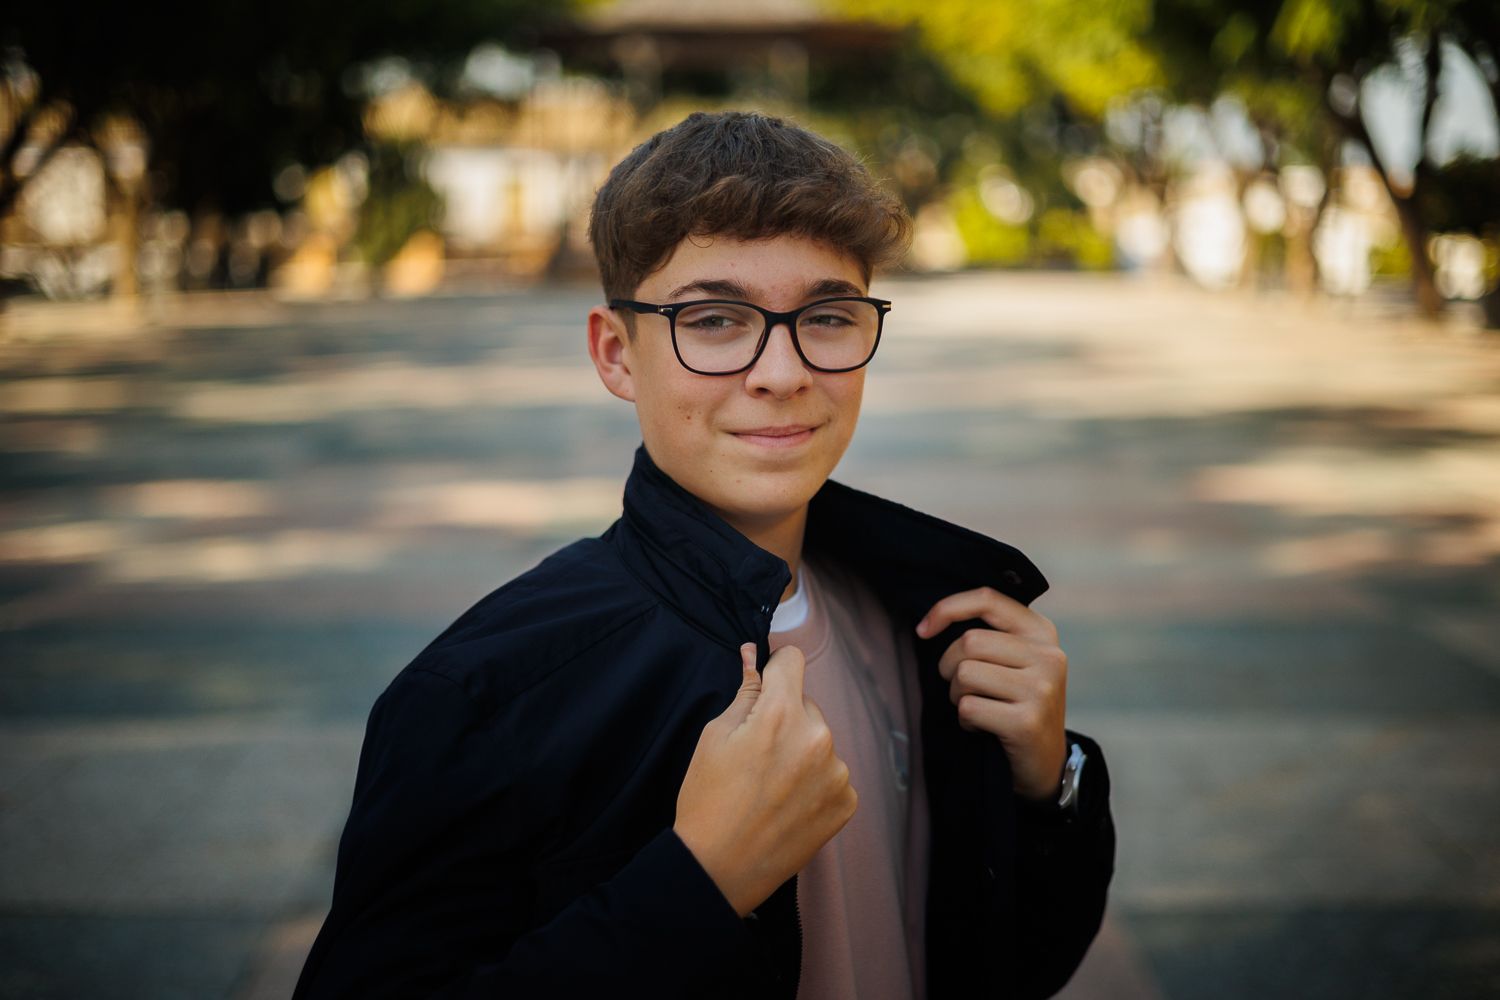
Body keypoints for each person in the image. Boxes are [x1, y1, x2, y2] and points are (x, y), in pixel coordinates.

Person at [293, 110, 1114, 1000]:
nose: (782, 371)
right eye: (716, 320)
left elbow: (1012, 960)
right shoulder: (490, 693)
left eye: (828, 315)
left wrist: (1051, 786)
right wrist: (698, 882)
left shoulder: (934, 625)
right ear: (617, 353)